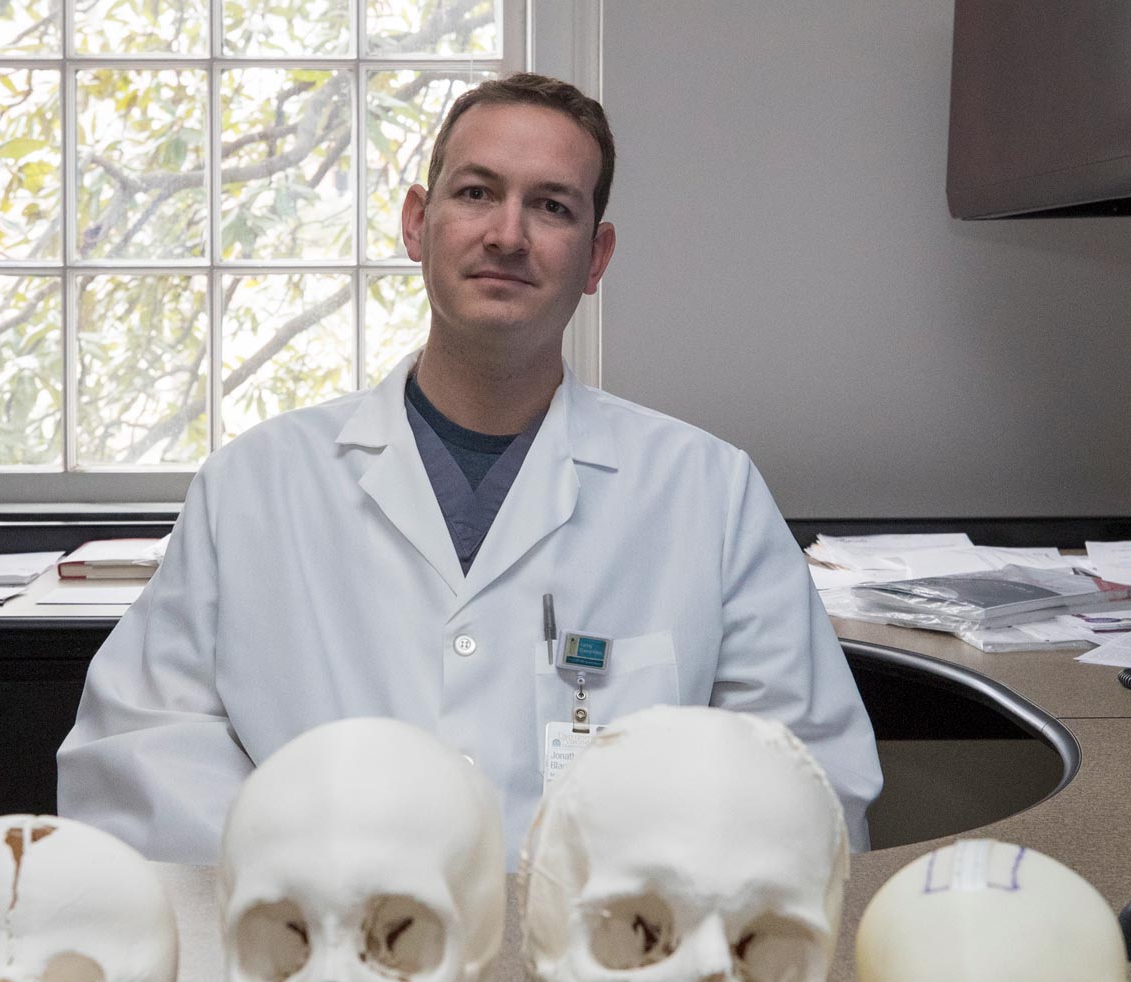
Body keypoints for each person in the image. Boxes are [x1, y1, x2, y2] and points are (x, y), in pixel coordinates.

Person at [58, 73, 882, 863]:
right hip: (329, 971)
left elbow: (807, 780)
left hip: (611, 977)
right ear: (418, 223)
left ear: (596, 259)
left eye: (551, 206)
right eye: (477, 192)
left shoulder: (709, 492)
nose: (507, 234)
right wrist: (306, 886)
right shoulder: (253, 486)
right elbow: (141, 747)